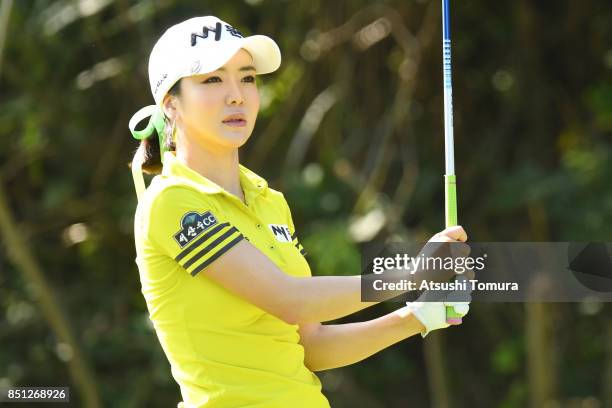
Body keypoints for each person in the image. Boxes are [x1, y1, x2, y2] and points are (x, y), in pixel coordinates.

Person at [128, 16, 471, 408]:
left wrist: (417, 318)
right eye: (212, 80)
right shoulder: (171, 200)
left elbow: (312, 346)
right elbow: (289, 298)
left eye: (247, 78)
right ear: (171, 105)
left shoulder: (269, 200)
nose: (237, 95)